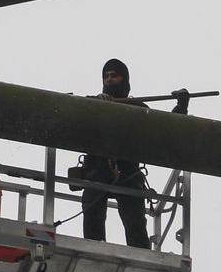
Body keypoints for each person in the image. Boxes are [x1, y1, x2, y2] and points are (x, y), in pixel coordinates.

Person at [75, 58, 188, 249]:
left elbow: (166, 133)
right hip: (98, 170)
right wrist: (97, 103)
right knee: (93, 207)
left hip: (129, 174)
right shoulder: (92, 106)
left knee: (135, 219)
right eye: (106, 77)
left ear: (125, 80)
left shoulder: (138, 110)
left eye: (114, 76)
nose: (109, 80)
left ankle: (140, 250)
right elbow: (74, 115)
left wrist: (181, 107)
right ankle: (93, 247)